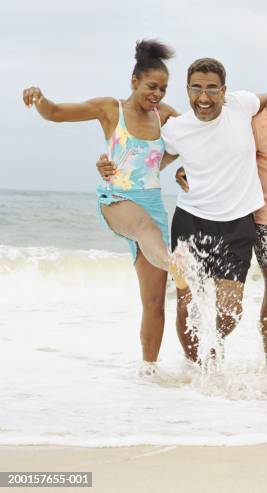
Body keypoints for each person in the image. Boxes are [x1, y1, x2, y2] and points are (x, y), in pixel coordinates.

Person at [97, 58, 267, 370]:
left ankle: (214, 343)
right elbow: (150, 161)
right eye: (196, 88)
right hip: (192, 220)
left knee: (229, 309)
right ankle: (197, 369)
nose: (204, 96)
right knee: (187, 305)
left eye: (212, 88)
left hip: (238, 224)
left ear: (224, 90)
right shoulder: (176, 130)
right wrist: (109, 168)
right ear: (187, 90)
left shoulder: (242, 105)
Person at [22, 40, 186, 374]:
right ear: (134, 81)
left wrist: (180, 166)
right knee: (144, 229)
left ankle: (148, 373)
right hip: (117, 200)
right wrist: (39, 97)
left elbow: (195, 141)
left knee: (154, 303)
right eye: (152, 86)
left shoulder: (166, 116)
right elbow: (56, 113)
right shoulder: (110, 109)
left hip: (153, 203)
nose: (158, 94)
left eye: (164, 89)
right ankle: (175, 265)